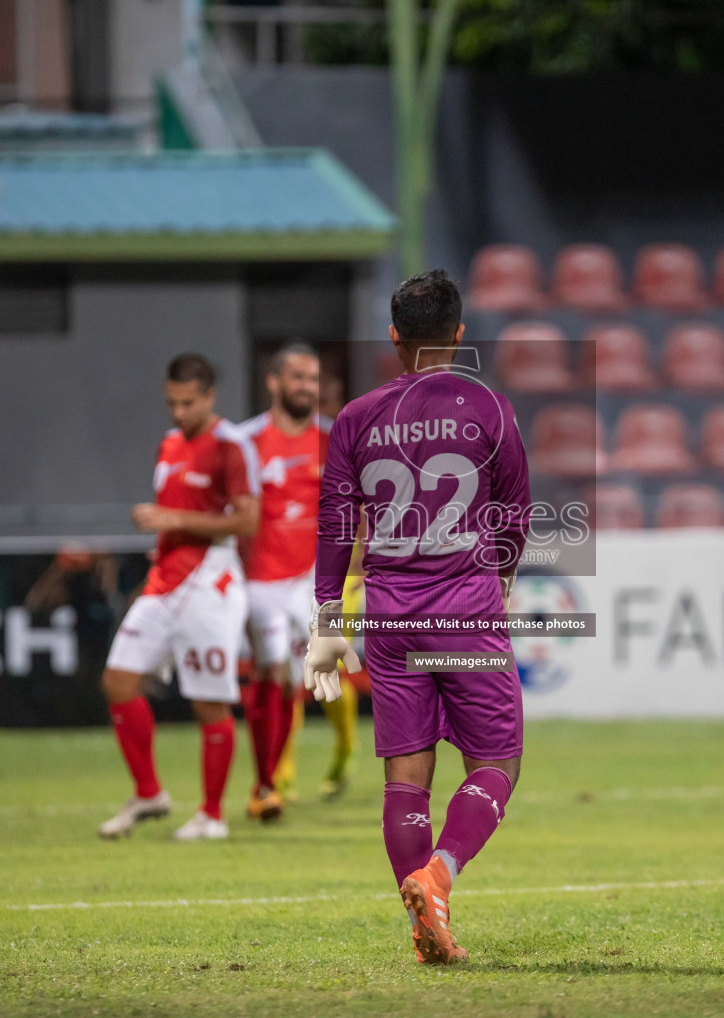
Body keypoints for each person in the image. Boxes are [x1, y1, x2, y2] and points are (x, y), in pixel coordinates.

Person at [305, 270, 530, 965]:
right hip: (464, 610)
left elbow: (337, 524)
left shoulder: (356, 417)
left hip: (390, 616)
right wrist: (505, 577)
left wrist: (325, 619)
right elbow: (515, 516)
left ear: (394, 337)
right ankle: (438, 875)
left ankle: (422, 925)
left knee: (407, 775)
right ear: (460, 335)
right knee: (496, 761)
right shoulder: (488, 409)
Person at [97, 354, 259, 842]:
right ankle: (149, 792)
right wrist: (163, 538)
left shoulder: (231, 446)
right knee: (118, 681)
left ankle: (212, 814)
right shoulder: (168, 445)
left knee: (209, 702)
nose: (178, 413)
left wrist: (173, 522)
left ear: (209, 397)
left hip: (210, 584)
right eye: (172, 403)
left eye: (188, 403)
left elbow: (248, 520)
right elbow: (180, 510)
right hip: (164, 581)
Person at [236, 344, 331, 821]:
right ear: (273, 382)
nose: (306, 387)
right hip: (260, 580)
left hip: (309, 580)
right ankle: (265, 784)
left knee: (299, 680)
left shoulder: (332, 439)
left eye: (313, 379)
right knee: (271, 670)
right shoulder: (244, 441)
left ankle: (273, 778)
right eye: (296, 377)